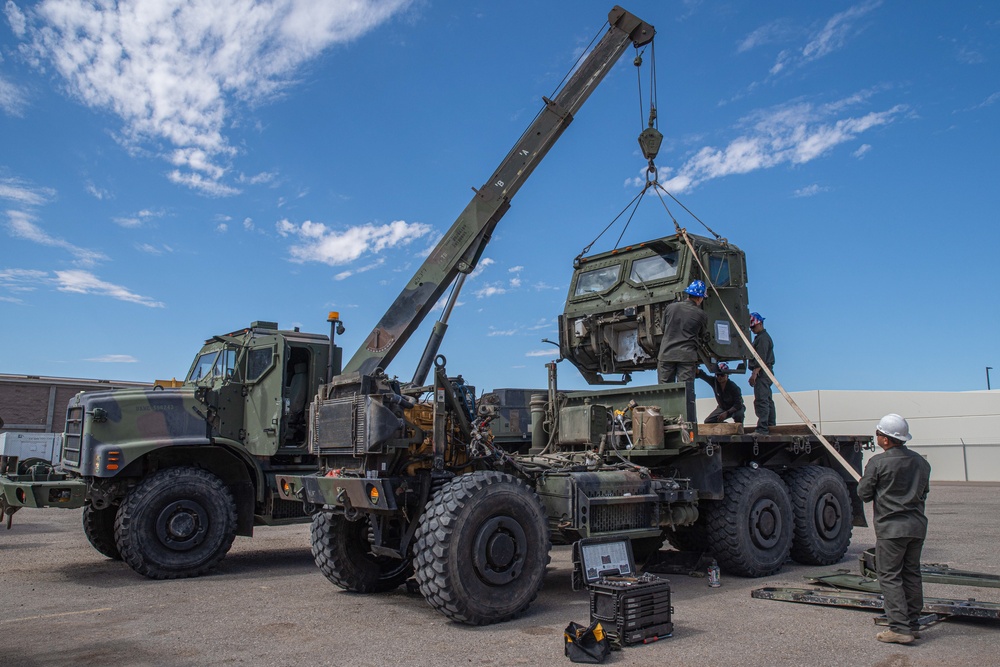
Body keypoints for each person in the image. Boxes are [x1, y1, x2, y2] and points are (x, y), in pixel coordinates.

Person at [857, 414, 932, 645]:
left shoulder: (878, 463)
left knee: (890, 577)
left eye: (878, 434)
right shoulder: (921, 462)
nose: (877, 437)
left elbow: (863, 494)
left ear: (887, 439)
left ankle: (899, 629)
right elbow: (923, 493)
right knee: (911, 574)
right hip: (916, 527)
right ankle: (913, 625)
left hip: (891, 530)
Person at [657, 280, 709, 384]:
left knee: (664, 391)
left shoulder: (670, 308)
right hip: (687, 357)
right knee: (685, 390)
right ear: (699, 298)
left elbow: (663, 328)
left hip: (666, 354)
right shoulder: (701, 315)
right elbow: (702, 335)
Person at [747, 312, 775, 435]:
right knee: (767, 399)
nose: (752, 329)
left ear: (760, 324)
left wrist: (754, 373)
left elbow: (761, 358)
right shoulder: (761, 337)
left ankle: (763, 428)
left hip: (762, 373)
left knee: (762, 400)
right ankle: (770, 426)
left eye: (753, 327)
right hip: (765, 372)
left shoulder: (763, 339)